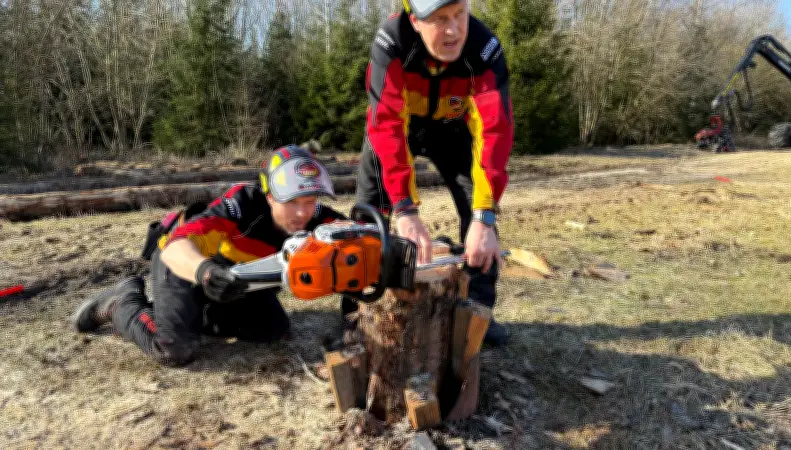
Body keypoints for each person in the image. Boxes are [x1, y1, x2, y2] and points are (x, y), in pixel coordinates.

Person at [72, 145, 347, 366]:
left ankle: (183, 312)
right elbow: (177, 246)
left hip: (233, 279)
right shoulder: (240, 208)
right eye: (292, 202)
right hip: (183, 263)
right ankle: (123, 302)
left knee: (271, 330)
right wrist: (204, 271)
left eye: (310, 201)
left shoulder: (320, 221)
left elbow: (358, 238)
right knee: (175, 350)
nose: (302, 213)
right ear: (270, 196)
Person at [353, 0, 514, 345]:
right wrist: (405, 210)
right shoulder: (392, 41)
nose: (454, 30)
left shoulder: (485, 49)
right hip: (399, 127)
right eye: (440, 19)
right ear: (415, 20)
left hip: (454, 130)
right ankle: (355, 312)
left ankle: (477, 312)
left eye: (460, 14)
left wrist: (484, 218)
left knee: (478, 211)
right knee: (370, 211)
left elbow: (495, 131)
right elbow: (387, 123)